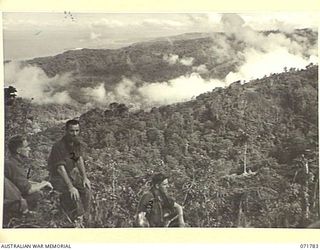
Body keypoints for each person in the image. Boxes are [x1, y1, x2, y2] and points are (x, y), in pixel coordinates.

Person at [47, 119, 91, 225]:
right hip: (58, 178)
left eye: (77, 130)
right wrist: (71, 187)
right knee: (74, 195)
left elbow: (78, 159)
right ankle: (77, 219)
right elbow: (60, 168)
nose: (74, 134)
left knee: (86, 190)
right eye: (72, 131)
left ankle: (86, 217)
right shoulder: (58, 146)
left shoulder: (76, 143)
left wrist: (85, 177)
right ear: (66, 131)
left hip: (71, 175)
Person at [4, 135, 53, 223]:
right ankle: (25, 217)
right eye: (26, 147)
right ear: (18, 151)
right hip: (11, 203)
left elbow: (20, 183)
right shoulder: (14, 166)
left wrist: (38, 184)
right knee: (37, 194)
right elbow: (28, 190)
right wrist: (44, 183)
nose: (29, 149)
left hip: (8, 199)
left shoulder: (10, 162)